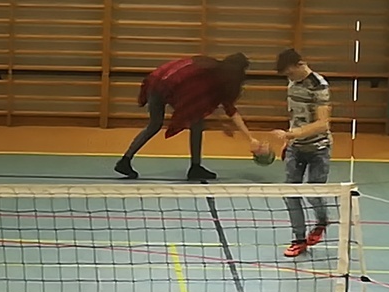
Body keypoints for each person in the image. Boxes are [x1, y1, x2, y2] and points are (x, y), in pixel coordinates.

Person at [114, 53, 264, 181]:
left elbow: (207, 100)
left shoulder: (209, 64)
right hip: (169, 87)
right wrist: (250, 138)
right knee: (197, 123)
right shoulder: (219, 79)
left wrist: (225, 125)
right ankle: (195, 167)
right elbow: (228, 109)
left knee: (155, 125)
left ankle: (125, 160)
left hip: (156, 80)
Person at [272, 49, 333, 259]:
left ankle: (322, 221)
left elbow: (322, 124)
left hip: (318, 149)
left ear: (300, 64)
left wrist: (292, 134)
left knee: (313, 193)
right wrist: (288, 141)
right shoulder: (292, 84)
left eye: (290, 73)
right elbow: (295, 116)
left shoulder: (319, 86)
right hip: (295, 148)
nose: (289, 78)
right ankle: (298, 240)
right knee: (291, 194)